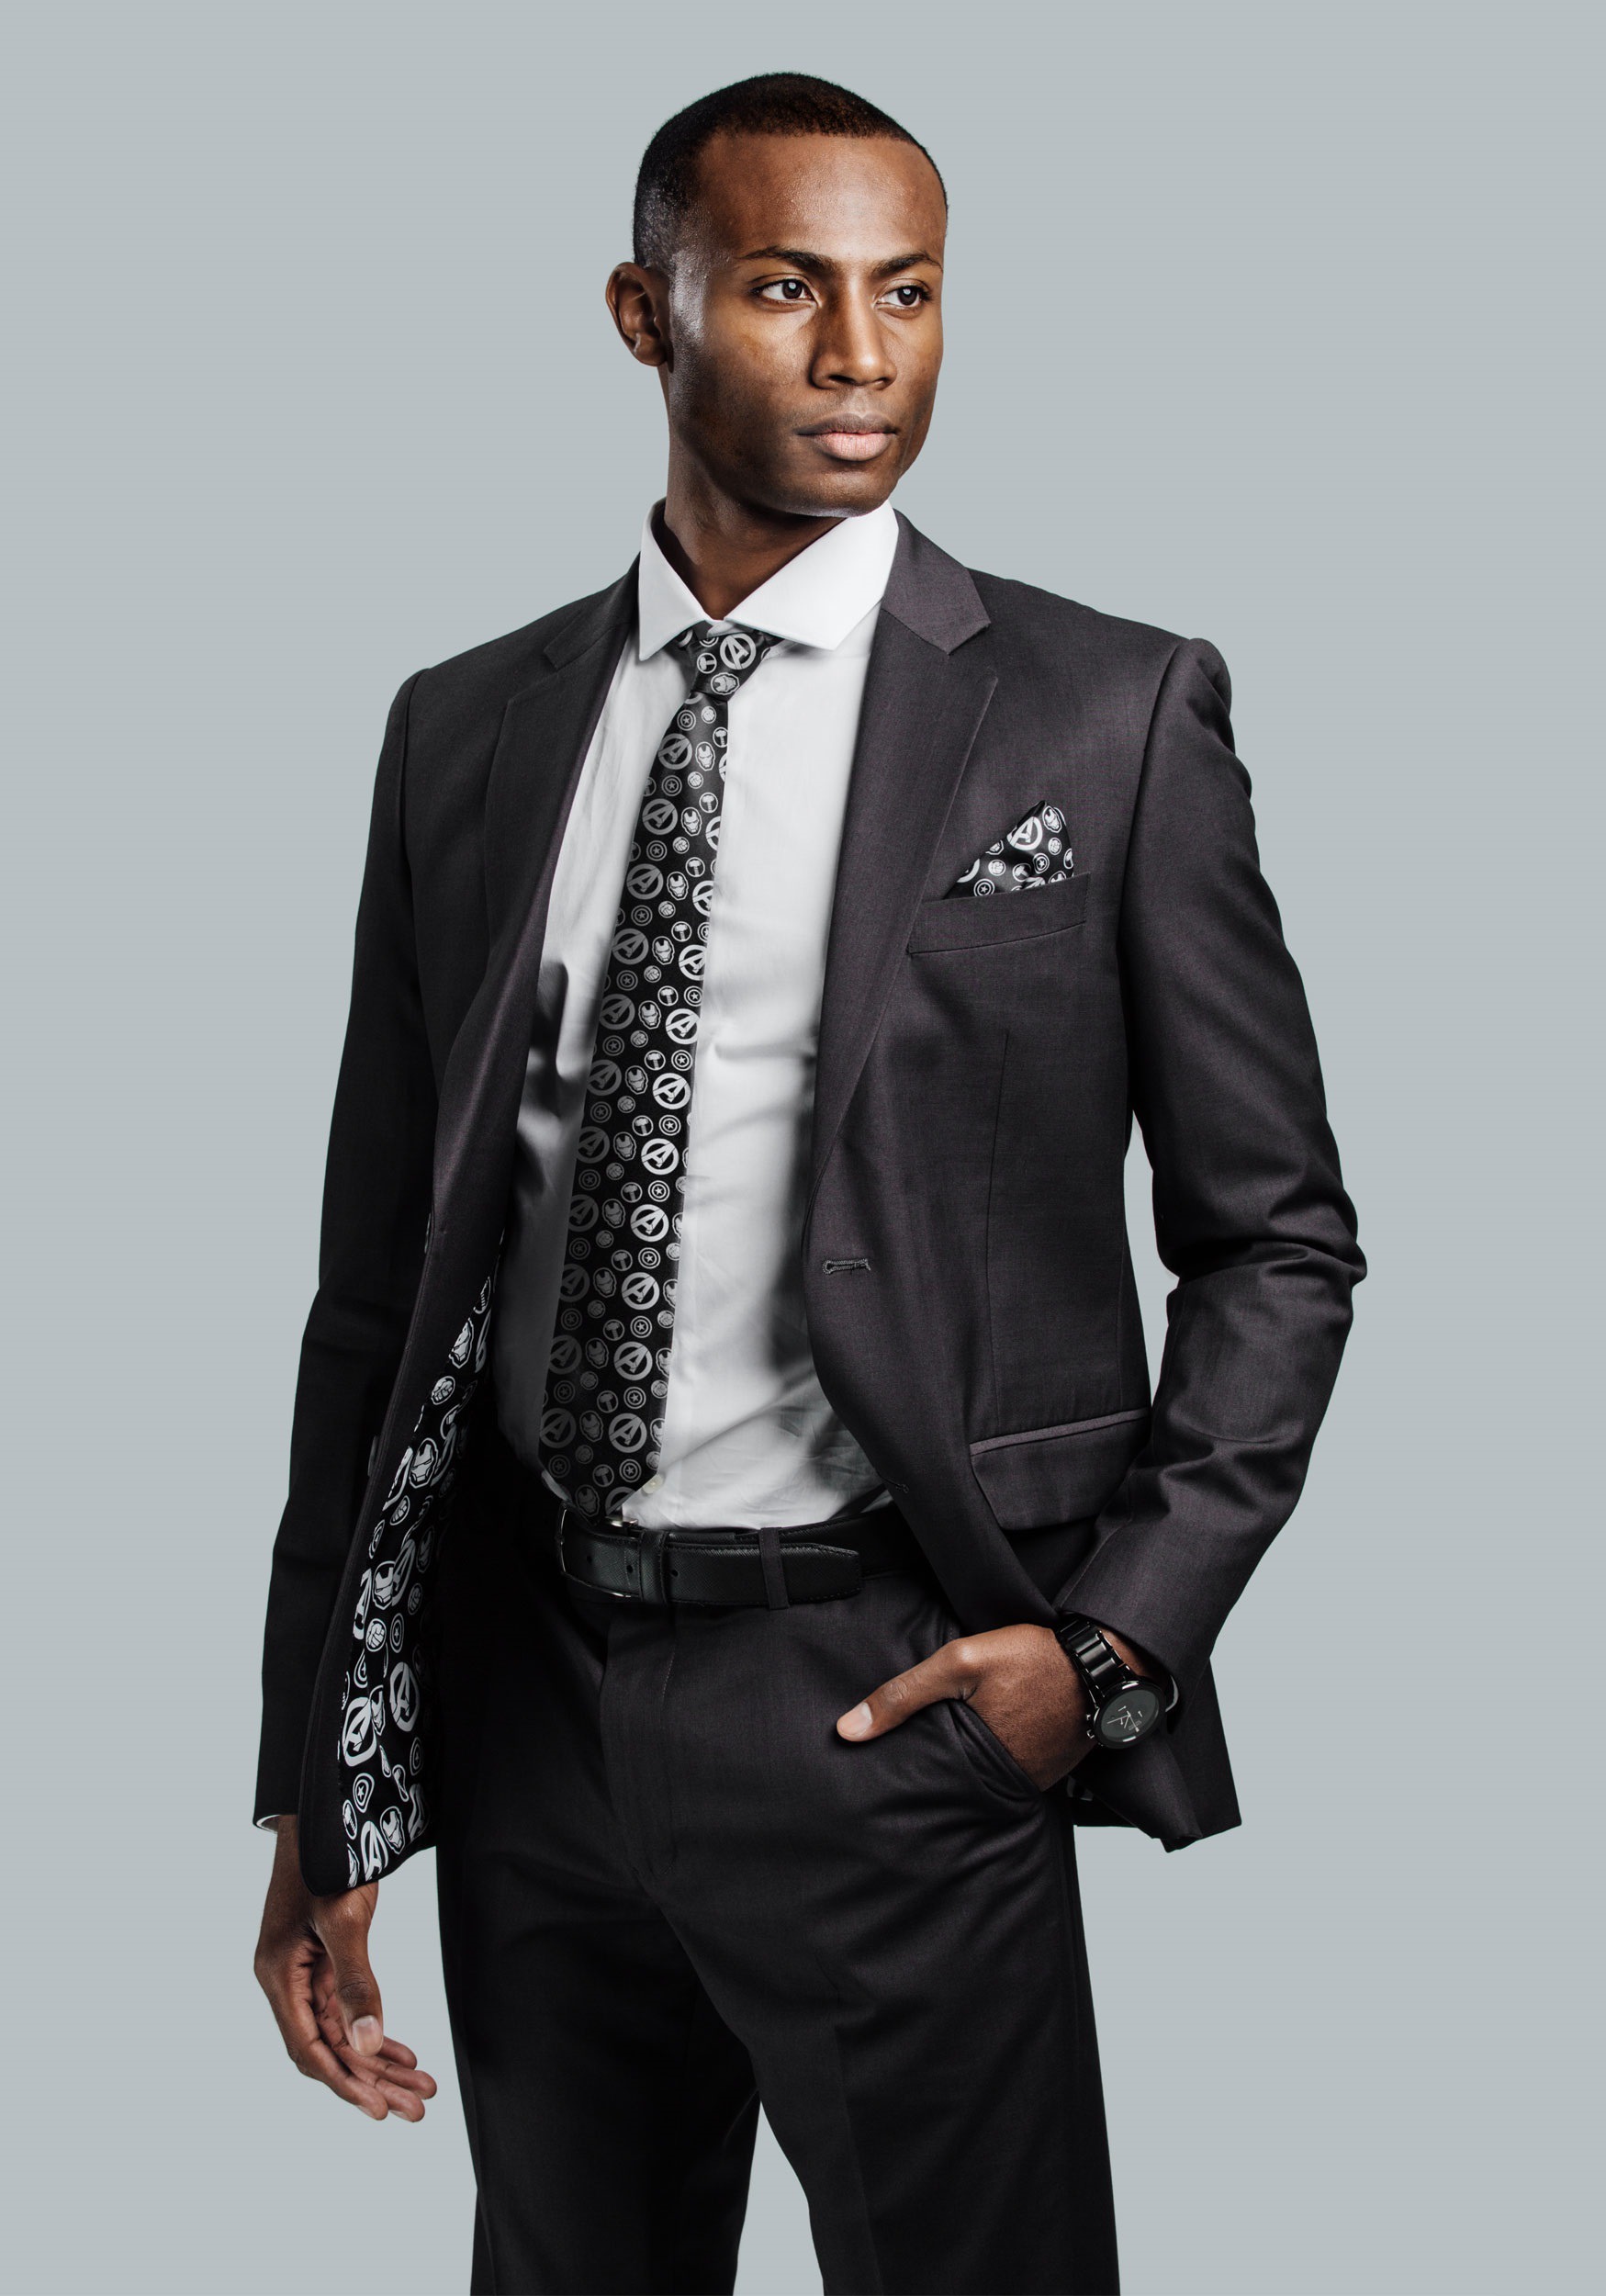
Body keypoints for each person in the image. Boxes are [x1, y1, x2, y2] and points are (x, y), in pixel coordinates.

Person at [253, 72, 1363, 2296]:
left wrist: (1102, 1648)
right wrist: (324, 1768)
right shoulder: (465, 729)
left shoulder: (1104, 714)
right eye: (784, 288)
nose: (862, 356)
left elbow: (1276, 1242)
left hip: (888, 1697)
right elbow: (377, 1287)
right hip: (530, 1696)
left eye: (909, 292)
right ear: (640, 313)